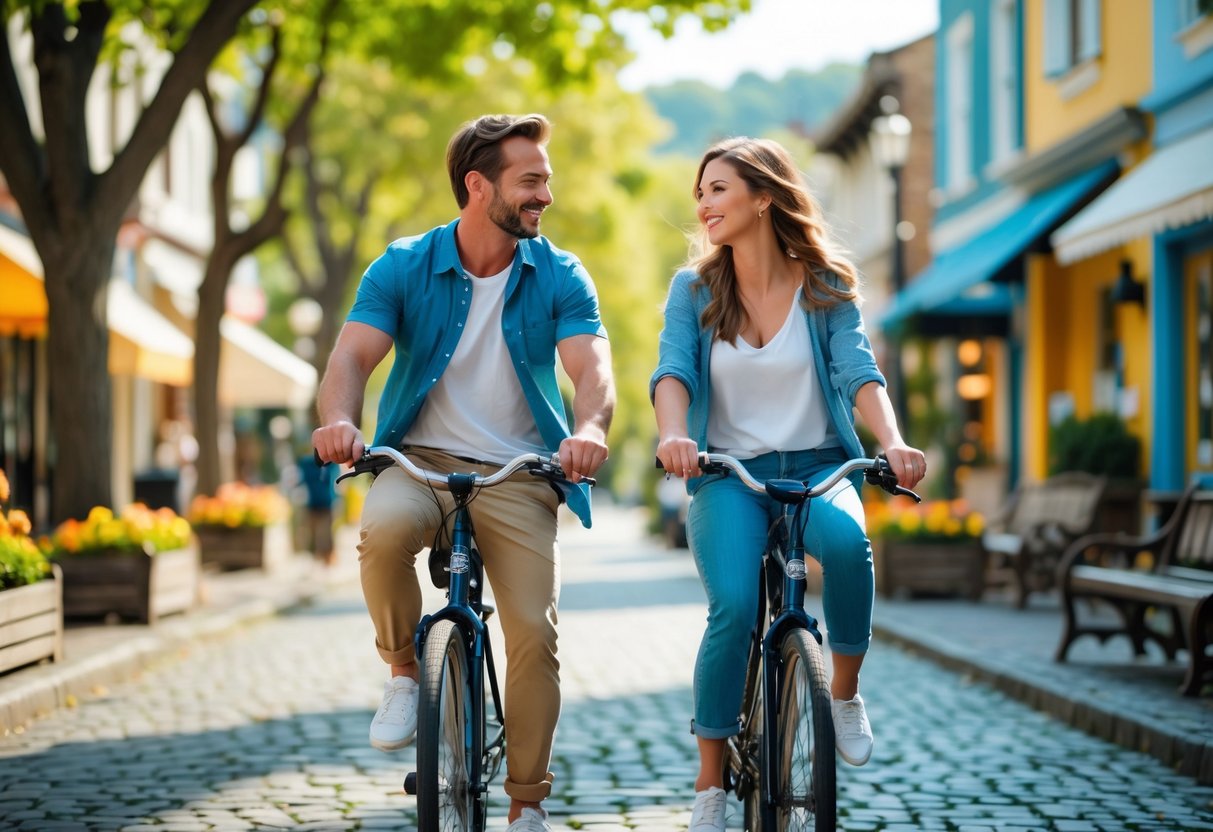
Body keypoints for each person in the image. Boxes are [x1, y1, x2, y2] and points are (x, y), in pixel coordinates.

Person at [312, 113, 615, 832]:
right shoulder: (404, 264)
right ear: (478, 186)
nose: (546, 192)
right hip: (417, 462)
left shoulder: (560, 273)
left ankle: (526, 804)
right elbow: (350, 357)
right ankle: (403, 673)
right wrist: (341, 421)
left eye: (546, 178)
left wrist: (589, 429)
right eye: (531, 180)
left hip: (518, 470)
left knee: (533, 634)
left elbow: (590, 366)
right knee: (380, 534)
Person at [650, 137, 926, 832]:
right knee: (735, 608)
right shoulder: (693, 290)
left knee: (852, 550)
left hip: (816, 467)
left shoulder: (825, 282)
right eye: (701, 192)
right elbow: (673, 371)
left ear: (763, 196)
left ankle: (843, 694)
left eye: (717, 189)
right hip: (727, 474)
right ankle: (710, 782)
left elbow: (858, 370)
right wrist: (673, 435)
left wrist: (890, 442)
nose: (704, 204)